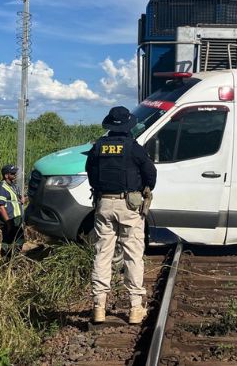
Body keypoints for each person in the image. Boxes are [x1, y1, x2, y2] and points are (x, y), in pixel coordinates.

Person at [86, 106, 157, 324]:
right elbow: (150, 175)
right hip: (129, 206)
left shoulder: (98, 146)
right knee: (133, 254)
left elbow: (90, 173)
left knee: (102, 253)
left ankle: (99, 306)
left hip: (103, 204)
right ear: (128, 125)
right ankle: (136, 308)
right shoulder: (134, 148)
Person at [0, 164, 25, 260]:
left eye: (15, 173)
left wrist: (23, 199)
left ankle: (15, 260)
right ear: (6, 175)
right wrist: (8, 222)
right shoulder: (1, 188)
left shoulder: (14, 186)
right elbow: (1, 207)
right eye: (12, 173)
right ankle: (6, 262)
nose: (15, 175)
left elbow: (19, 199)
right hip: (9, 219)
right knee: (8, 241)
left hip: (17, 218)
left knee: (19, 239)